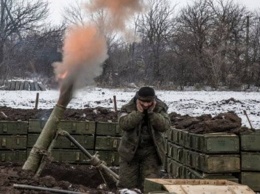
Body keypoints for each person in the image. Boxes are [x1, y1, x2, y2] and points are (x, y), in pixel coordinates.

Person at [117, 86, 171, 192]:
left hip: (152, 151)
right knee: (127, 185)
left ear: (153, 100)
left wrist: (152, 114)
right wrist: (138, 113)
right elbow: (124, 124)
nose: (146, 105)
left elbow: (165, 126)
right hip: (130, 151)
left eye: (149, 102)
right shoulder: (128, 107)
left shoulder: (160, 107)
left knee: (151, 185)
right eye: (143, 102)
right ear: (138, 99)